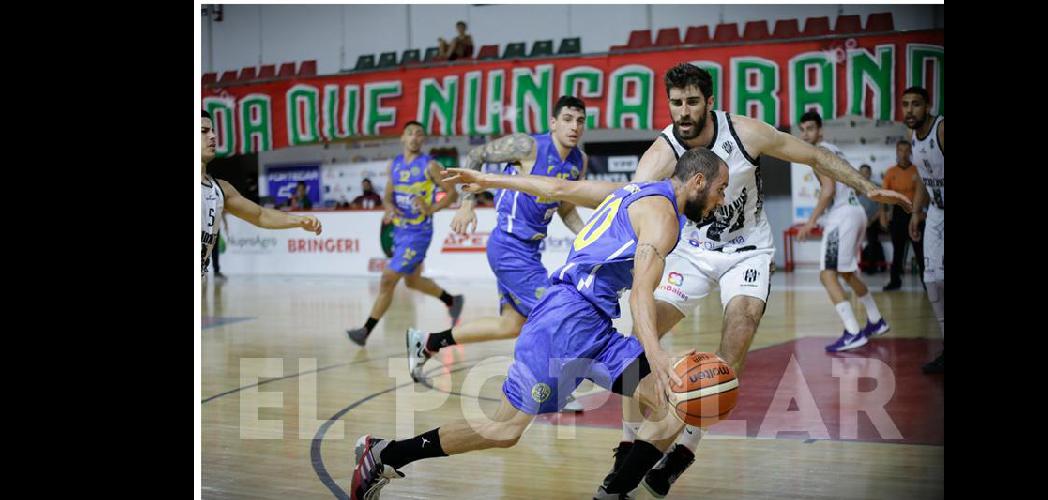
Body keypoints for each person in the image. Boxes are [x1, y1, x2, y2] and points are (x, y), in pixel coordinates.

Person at [597, 63, 910, 497]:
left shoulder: (745, 133)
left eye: (691, 102)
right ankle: (628, 443)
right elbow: (627, 209)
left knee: (733, 345)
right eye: (675, 102)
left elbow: (814, 155)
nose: (683, 112)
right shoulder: (661, 153)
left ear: (709, 102)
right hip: (692, 252)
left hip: (749, 250)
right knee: (635, 341)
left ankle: (685, 448)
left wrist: (866, 187)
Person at [349, 147, 731, 500]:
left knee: (675, 402)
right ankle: (386, 454)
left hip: (595, 329)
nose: (722, 199)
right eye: (721, 189)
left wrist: (489, 181)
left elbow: (558, 187)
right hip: (562, 325)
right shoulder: (664, 219)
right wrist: (658, 354)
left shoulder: (634, 190)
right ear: (698, 181)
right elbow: (640, 295)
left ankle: (614, 492)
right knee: (505, 430)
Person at [406, 96, 589, 410]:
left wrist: (586, 236)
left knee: (510, 326)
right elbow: (477, 155)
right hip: (507, 247)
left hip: (528, 252)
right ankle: (550, 388)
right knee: (553, 314)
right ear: (553, 122)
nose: (575, 126)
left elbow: (566, 207)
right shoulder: (527, 146)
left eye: (581, 120)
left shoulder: (578, 162)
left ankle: (429, 342)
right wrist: (466, 203)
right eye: (568, 119)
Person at [346, 121, 464, 346]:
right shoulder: (395, 165)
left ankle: (365, 331)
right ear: (402, 137)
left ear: (423, 140)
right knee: (411, 281)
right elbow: (388, 197)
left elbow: (452, 194)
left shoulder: (430, 166)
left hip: (419, 232)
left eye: (420, 134)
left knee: (388, 278)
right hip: (400, 229)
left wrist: (431, 208)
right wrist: (389, 209)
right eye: (410, 133)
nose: (414, 137)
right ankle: (452, 300)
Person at [796, 111, 889, 353]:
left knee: (827, 275)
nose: (805, 134)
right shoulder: (833, 149)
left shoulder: (819, 153)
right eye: (802, 129)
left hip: (842, 217)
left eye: (810, 129)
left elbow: (827, 191)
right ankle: (876, 320)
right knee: (846, 273)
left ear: (820, 131)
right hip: (856, 212)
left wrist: (810, 222)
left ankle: (853, 332)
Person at [201, 110, 322, 277]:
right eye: (203, 131)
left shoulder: (221, 189)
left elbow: (260, 215)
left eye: (213, 130)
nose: (213, 136)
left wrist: (300, 220)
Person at [900, 86, 944, 374]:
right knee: (932, 278)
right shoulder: (912, 136)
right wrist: (916, 214)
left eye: (916, 104)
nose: (910, 110)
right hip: (937, 212)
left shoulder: (941, 129)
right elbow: (922, 178)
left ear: (928, 106)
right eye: (905, 105)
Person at [880, 140, 924, 290]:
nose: (904, 154)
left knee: (920, 250)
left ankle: (927, 283)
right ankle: (894, 282)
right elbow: (883, 195)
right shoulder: (890, 172)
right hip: (898, 213)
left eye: (907, 150)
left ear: (911, 152)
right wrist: (883, 215)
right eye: (900, 150)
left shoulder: (918, 170)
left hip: (915, 212)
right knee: (897, 250)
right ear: (897, 152)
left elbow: (925, 193)